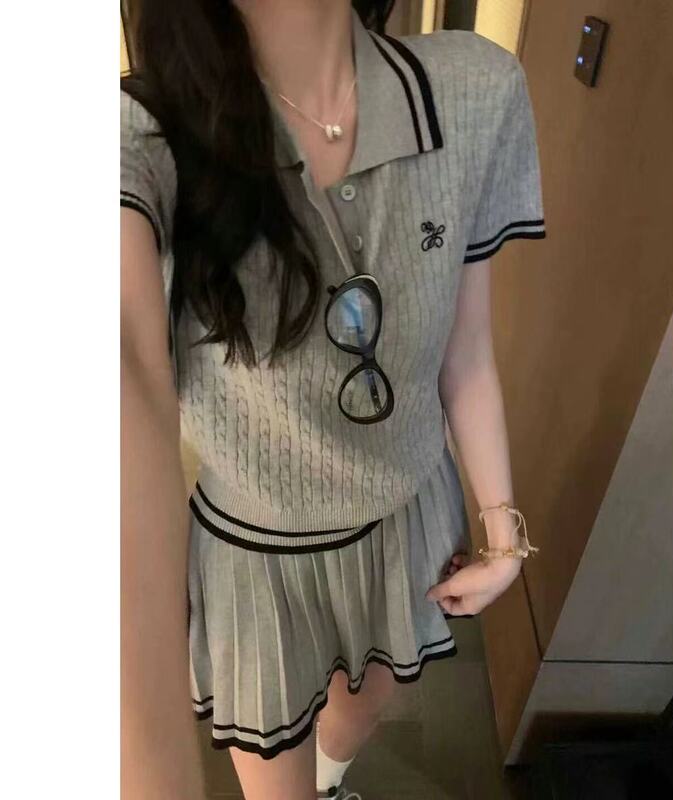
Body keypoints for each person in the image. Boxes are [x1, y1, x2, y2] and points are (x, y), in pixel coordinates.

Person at [120, 1, 546, 798]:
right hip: (257, 557)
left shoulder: (476, 91)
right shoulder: (142, 136)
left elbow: (467, 352)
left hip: (407, 519)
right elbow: (124, 378)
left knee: (352, 723)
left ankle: (330, 784)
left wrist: (503, 532)